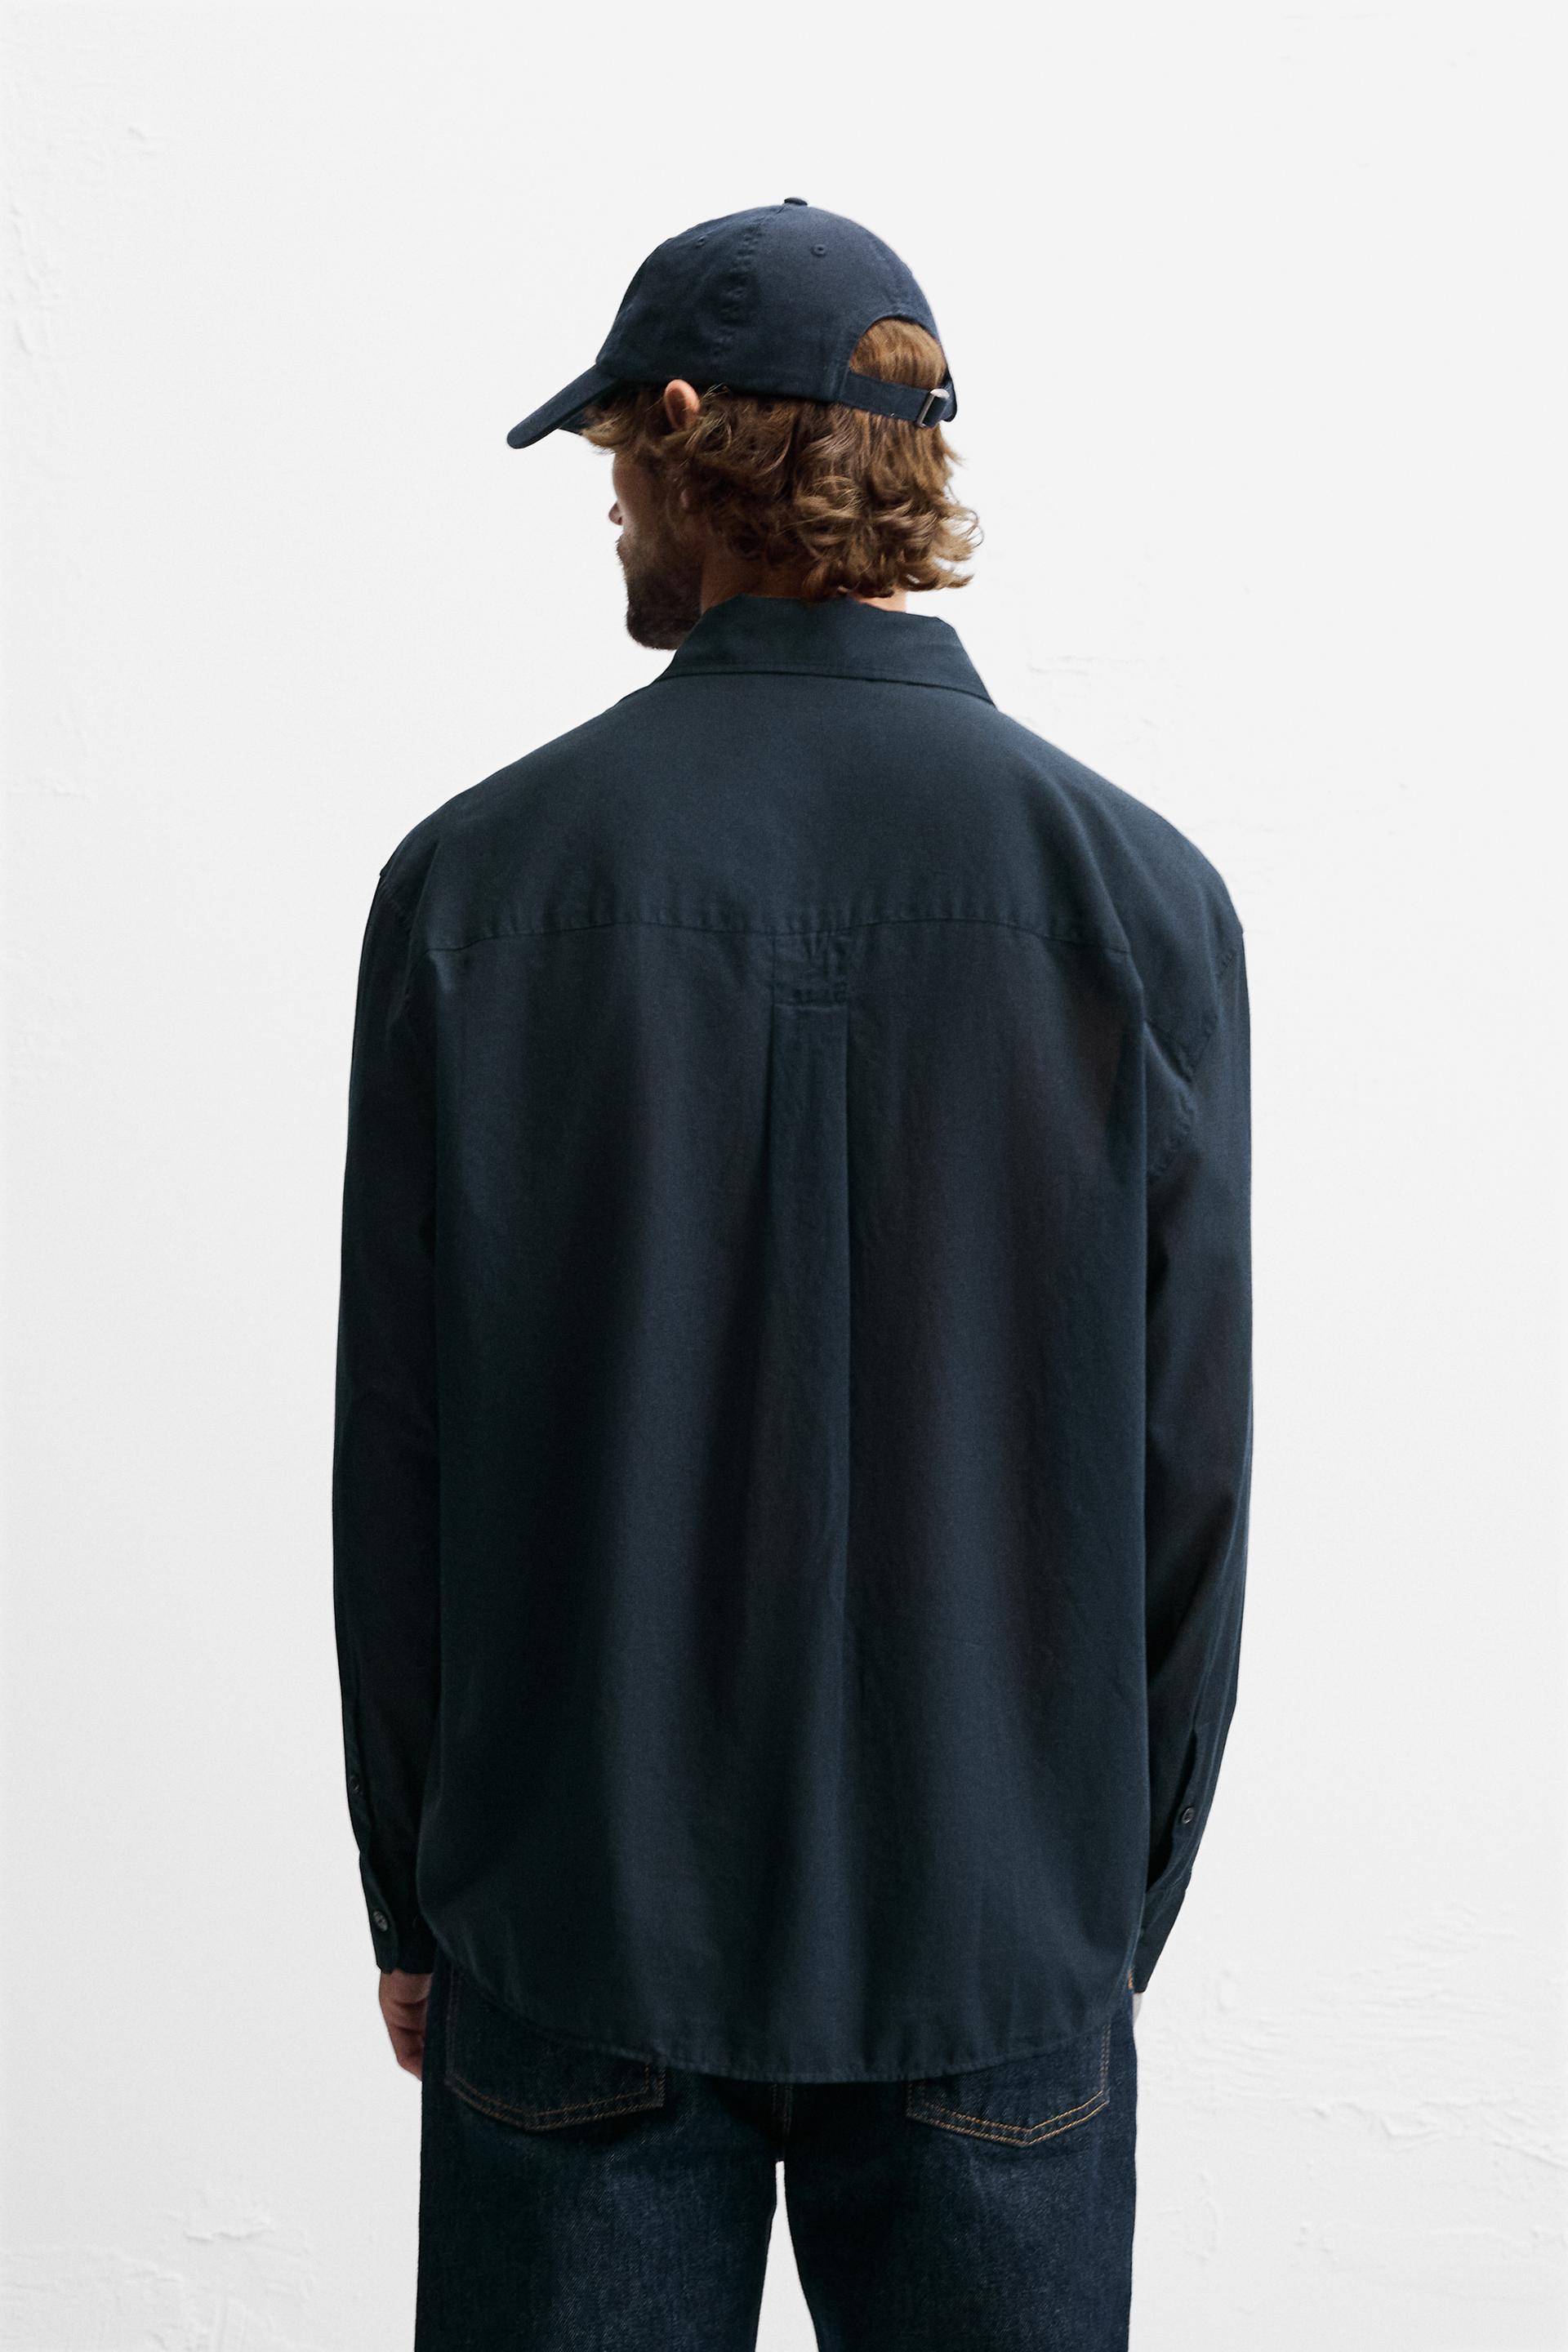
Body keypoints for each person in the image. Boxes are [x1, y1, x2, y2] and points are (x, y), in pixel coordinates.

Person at [332, 198, 1254, 2352]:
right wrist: (1100, 1913)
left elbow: (401, 1454)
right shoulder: (1139, 898)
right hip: (989, 1935)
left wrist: (414, 1882)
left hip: (575, 1917)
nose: (610, 513)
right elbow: (1189, 1470)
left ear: (684, 432)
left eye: (613, 461)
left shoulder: (476, 887)